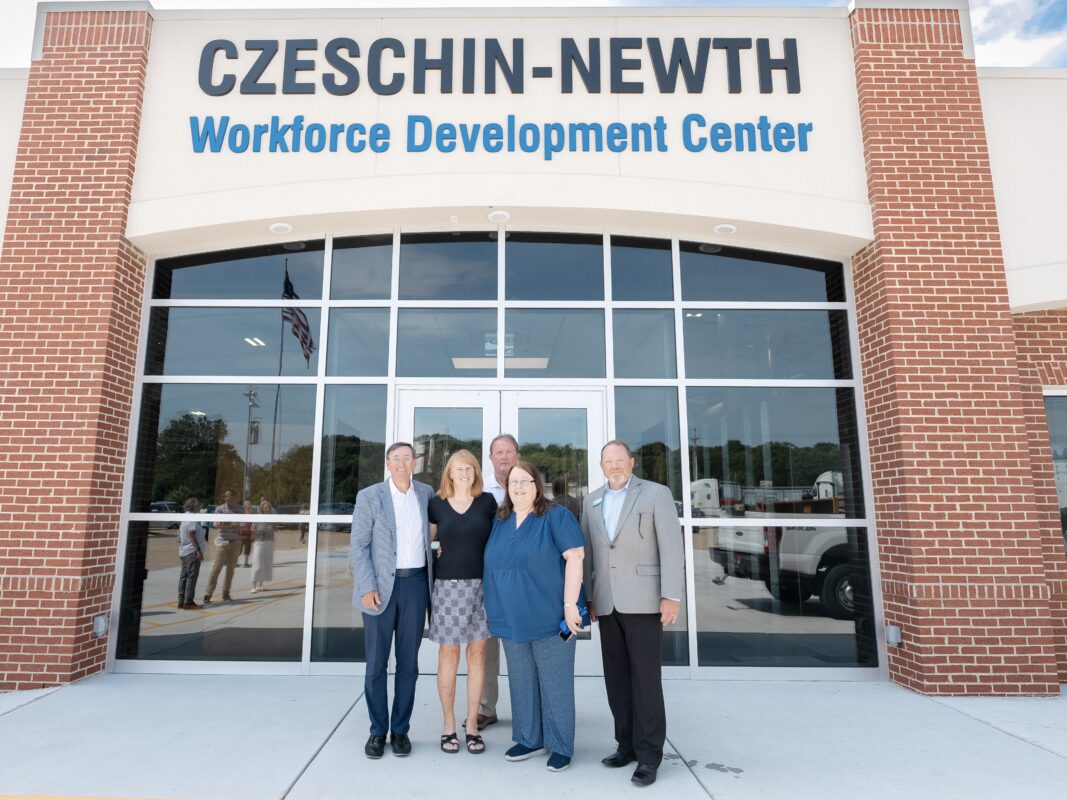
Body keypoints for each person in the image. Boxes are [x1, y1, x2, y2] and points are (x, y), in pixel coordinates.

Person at [581, 440, 684, 787]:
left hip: (644, 601)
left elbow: (672, 548)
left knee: (645, 680)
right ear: (601, 465)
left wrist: (671, 595)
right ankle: (625, 744)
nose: (614, 466)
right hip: (607, 602)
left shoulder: (656, 494)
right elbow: (591, 552)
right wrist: (590, 596)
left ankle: (650, 754)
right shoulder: (591, 499)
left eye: (619, 460)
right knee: (616, 679)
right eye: (608, 461)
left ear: (631, 462)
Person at [483, 460, 585, 773]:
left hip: (549, 615)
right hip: (510, 616)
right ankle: (529, 738)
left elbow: (575, 557)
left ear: (536, 485)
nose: (518, 487)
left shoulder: (555, 515)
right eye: (513, 482)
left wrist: (570, 606)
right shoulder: (501, 519)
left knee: (555, 682)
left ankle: (560, 744)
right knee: (521, 678)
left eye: (525, 481)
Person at [351, 441, 435, 760]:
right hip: (378, 590)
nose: (401, 463)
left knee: (408, 664)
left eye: (407, 458)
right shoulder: (370, 496)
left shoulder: (426, 494)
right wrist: (367, 585)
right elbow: (358, 546)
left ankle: (400, 730)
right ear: (388, 464)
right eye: (395, 459)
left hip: (415, 585)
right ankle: (377, 731)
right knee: (375, 664)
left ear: (415, 463)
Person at [427, 449, 497, 755]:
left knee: (478, 657)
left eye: (470, 468)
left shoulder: (488, 503)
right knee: (449, 656)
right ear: (449, 473)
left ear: (476, 472)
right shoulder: (436, 504)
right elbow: (426, 544)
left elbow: (498, 541)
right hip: (448, 588)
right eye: (459, 469)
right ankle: (448, 725)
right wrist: (436, 550)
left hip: (482, 587)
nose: (465, 473)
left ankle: (471, 725)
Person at [475, 432, 520, 730]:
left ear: (517, 456)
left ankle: (527, 710)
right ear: (490, 458)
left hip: (521, 583)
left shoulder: (528, 486)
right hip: (487, 582)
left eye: (509, 452)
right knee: (486, 650)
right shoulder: (479, 492)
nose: (504, 457)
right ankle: (486, 707)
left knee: (522, 649)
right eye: (498, 452)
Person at [203, 489, 242, 604]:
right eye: (226, 496)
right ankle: (208, 593)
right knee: (217, 567)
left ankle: (226, 593)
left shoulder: (241, 509)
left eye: (229, 496)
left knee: (230, 569)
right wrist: (232, 525)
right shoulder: (220, 509)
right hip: (222, 541)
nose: (227, 498)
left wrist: (227, 525)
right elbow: (217, 525)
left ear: (235, 497)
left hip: (235, 541)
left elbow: (242, 525)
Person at [177, 497, 206, 609]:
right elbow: (191, 534)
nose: (200, 507)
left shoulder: (185, 517)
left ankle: (181, 600)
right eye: (198, 505)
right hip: (191, 551)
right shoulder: (192, 518)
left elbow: (179, 536)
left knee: (184, 576)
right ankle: (188, 601)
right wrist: (198, 550)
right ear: (193, 506)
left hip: (184, 550)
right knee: (191, 577)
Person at [250, 497, 277, 592]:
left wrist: (273, 528)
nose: (267, 509)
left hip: (269, 541)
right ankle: (253, 585)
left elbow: (275, 528)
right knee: (257, 563)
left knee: (265, 564)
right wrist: (260, 531)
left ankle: (260, 584)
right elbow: (252, 529)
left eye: (268, 507)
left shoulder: (272, 518)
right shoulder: (257, 517)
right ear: (261, 508)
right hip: (259, 542)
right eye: (265, 507)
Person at [240, 499, 255, 567]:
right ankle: (239, 563)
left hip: (247, 532)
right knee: (241, 548)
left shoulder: (251, 514)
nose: (248, 505)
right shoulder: (243, 513)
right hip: (243, 531)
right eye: (246, 504)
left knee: (246, 548)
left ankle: (244, 563)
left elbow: (253, 524)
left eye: (249, 504)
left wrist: (253, 533)